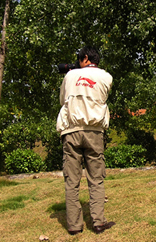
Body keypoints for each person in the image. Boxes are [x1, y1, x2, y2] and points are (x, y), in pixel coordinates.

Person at [56, 46, 115, 235]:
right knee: (96, 179)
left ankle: (74, 226)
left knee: (71, 181)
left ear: (85, 58)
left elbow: (62, 100)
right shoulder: (107, 77)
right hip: (94, 131)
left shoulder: (69, 76)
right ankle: (98, 222)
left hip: (71, 131)